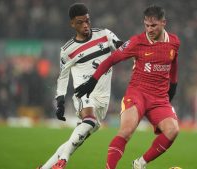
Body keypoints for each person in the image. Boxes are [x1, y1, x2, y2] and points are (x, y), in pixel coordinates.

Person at [75, 4, 180, 169]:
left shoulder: (174, 42)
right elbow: (111, 59)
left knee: (173, 130)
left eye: (153, 25)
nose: (149, 29)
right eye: (146, 25)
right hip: (137, 93)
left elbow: (173, 65)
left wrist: (173, 87)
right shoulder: (137, 42)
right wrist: (92, 81)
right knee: (126, 131)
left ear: (163, 23)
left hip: (159, 98)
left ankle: (140, 164)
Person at [37, 3, 123, 169]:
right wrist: (60, 101)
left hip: (103, 99)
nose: (85, 25)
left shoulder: (105, 35)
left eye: (87, 21)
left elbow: (124, 48)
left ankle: (45, 168)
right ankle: (63, 162)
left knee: (74, 141)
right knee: (88, 121)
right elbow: (62, 77)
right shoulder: (68, 50)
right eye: (80, 22)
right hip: (84, 94)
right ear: (72, 24)